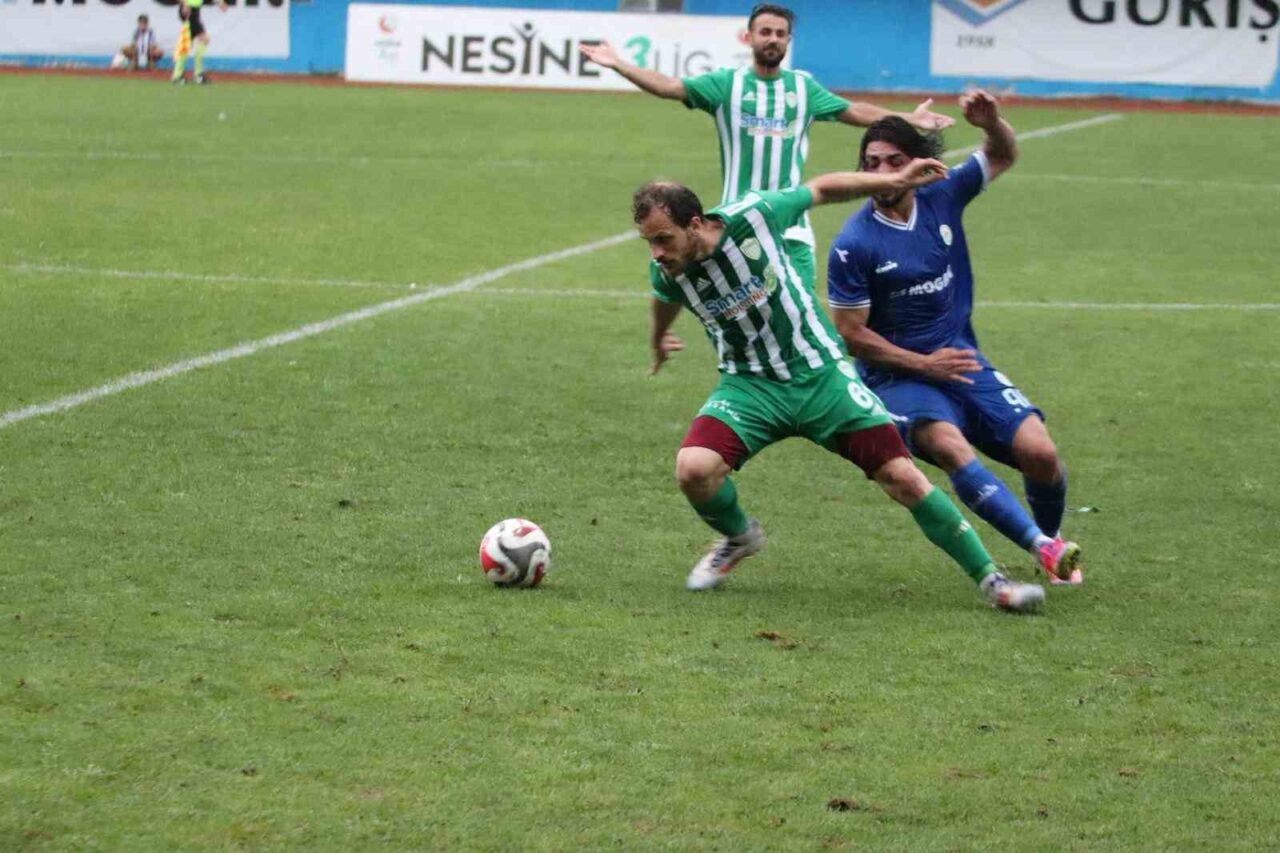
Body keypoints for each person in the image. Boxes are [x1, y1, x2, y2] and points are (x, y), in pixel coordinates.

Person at [634, 166, 1046, 613]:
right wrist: (658, 338)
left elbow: (822, 189)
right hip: (750, 386)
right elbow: (665, 299)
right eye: (649, 242)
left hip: (822, 377)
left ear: (695, 224)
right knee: (693, 469)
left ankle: (994, 582)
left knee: (903, 477)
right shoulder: (668, 270)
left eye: (663, 238)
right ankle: (739, 537)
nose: (656, 253)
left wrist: (896, 178)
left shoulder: (753, 215)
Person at [826, 91, 1083, 585]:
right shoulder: (854, 244)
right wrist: (925, 366)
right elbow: (852, 335)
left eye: (893, 161)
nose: (881, 171)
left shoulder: (942, 194)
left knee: (1042, 454)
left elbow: (1003, 153)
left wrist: (992, 124)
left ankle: (1046, 545)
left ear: (919, 164)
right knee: (948, 445)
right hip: (897, 377)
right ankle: (1043, 547)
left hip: (960, 359)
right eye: (871, 162)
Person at [582, 3, 954, 290]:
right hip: (737, 225)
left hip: (791, 227)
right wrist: (619, 65)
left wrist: (909, 119)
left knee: (802, 315)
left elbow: (853, 110)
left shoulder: (803, 88)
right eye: (765, 32)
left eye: (780, 33)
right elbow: (669, 86)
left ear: (788, 41)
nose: (773, 38)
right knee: (745, 321)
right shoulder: (726, 86)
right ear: (749, 38)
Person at [172, 0, 228, 86]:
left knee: (189, 43)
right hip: (189, 10)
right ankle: (196, 75)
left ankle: (179, 75)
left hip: (194, 11)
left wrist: (219, 2)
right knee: (202, 40)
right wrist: (185, 4)